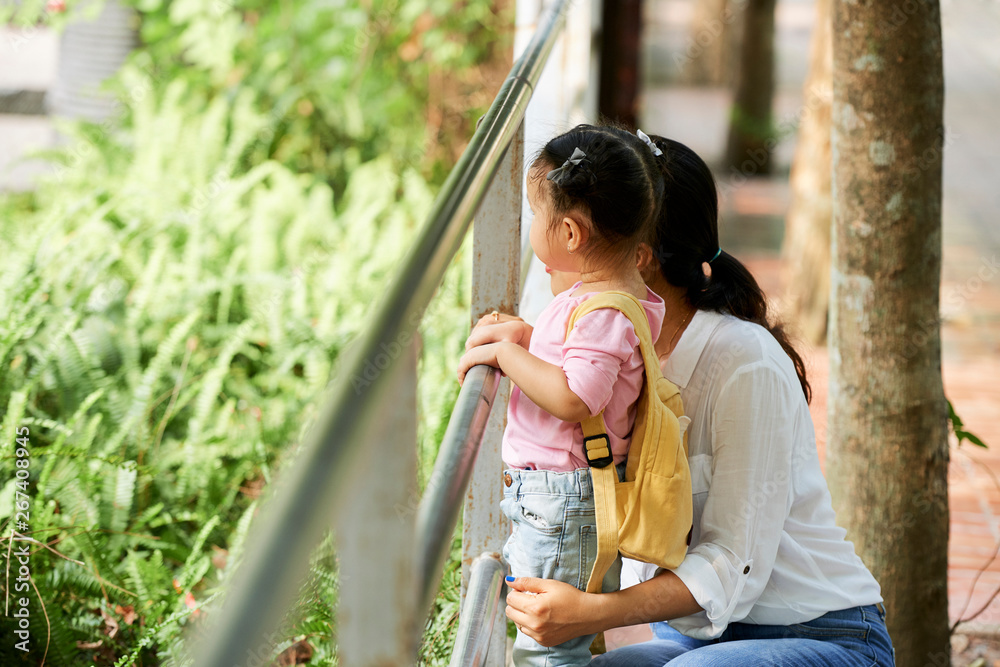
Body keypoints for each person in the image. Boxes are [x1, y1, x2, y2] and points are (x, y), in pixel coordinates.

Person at [473, 135, 896, 665]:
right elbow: (576, 413)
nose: (549, 246)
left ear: (639, 256)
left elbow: (730, 564)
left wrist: (590, 612)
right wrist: (532, 345)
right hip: (696, 641)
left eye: (572, 225)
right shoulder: (618, 358)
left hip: (825, 637)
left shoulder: (746, 364)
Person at [457, 124, 671, 666]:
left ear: (571, 234)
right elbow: (579, 364)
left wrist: (506, 358)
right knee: (552, 640)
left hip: (564, 502)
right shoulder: (601, 298)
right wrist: (528, 339)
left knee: (546, 650)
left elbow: (578, 396)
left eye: (534, 213)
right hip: (559, 500)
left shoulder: (602, 311)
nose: (531, 224)